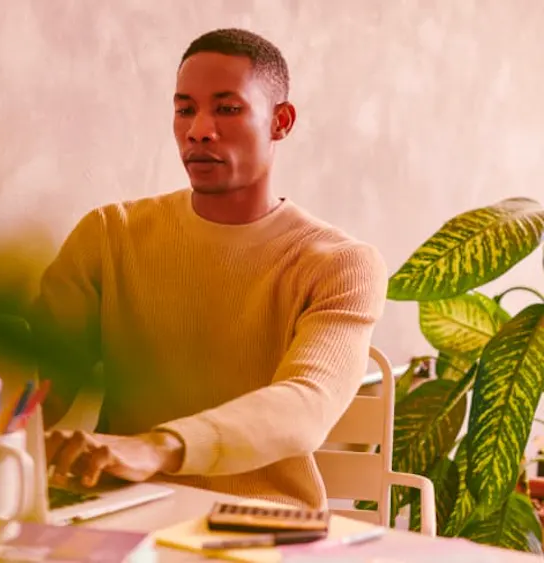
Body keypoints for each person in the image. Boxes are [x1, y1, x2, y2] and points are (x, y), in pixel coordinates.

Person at [32, 28, 388, 509]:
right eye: (184, 109)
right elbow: (37, 384)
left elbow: (307, 402)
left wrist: (155, 448)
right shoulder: (108, 234)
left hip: (264, 525)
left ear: (280, 121)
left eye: (227, 108)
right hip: (120, 514)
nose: (199, 129)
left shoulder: (341, 264)